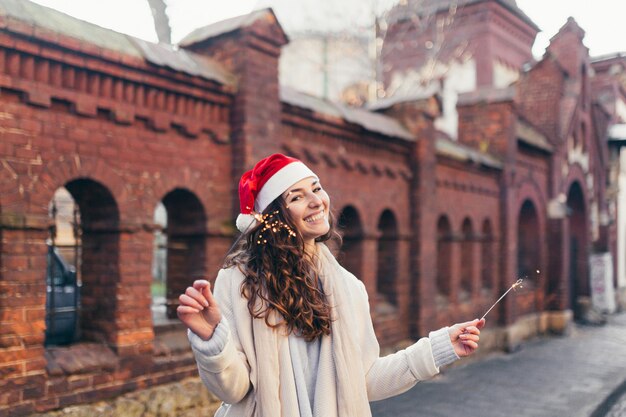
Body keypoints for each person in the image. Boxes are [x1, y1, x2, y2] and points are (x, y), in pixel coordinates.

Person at [178, 153, 485, 417]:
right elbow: (235, 389)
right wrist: (212, 343)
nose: (316, 202)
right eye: (296, 197)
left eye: (316, 188)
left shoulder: (349, 288)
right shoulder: (239, 281)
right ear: (273, 217)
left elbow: (364, 379)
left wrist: (441, 348)